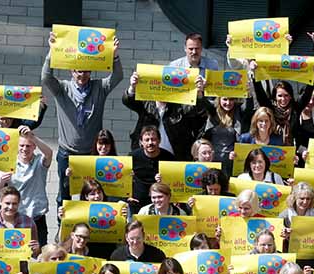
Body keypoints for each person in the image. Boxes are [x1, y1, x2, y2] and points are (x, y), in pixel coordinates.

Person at [42, 30, 123, 214]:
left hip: (90, 153)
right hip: (66, 153)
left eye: (86, 71)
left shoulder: (99, 87)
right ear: (72, 71)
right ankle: (63, 227)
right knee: (64, 194)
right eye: (79, 71)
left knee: (90, 192)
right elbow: (46, 78)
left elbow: (117, 77)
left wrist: (115, 56)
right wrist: (51, 51)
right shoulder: (62, 88)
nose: (82, 75)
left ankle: (87, 223)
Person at [124, 72, 208, 159]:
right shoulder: (146, 104)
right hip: (147, 155)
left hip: (174, 157)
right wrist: (132, 88)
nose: (162, 90)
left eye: (165, 88)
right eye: (159, 87)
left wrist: (199, 94)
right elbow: (128, 101)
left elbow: (197, 109)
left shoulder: (179, 106)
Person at [0, 126, 53, 242]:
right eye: (21, 145)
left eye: (28, 146)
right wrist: (1, 181)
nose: (24, 149)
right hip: (16, 216)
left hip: (36, 216)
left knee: (39, 253)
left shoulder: (39, 162)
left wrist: (32, 137)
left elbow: (49, 153)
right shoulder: (9, 162)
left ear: (34, 146)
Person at [0, 187, 41, 259]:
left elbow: (35, 252)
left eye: (14, 204)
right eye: (7, 203)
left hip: (21, 266)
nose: (10, 207)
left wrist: (36, 249)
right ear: (0, 201)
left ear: (19, 203)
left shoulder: (28, 222)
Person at [129, 125, 173, 213]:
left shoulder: (169, 158)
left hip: (160, 204)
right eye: (147, 140)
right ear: (141, 142)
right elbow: (123, 179)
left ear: (159, 140)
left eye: (153, 139)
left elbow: (175, 181)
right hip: (136, 203)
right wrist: (126, 197)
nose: (150, 143)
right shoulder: (132, 157)